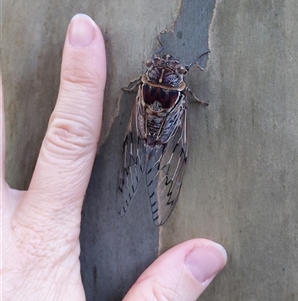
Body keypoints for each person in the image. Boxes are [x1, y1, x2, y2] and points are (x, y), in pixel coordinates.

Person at [1, 14, 227, 300]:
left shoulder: (147, 85)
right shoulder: (180, 92)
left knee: (150, 148)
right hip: (165, 128)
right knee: (164, 150)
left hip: (147, 126)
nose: (164, 67)